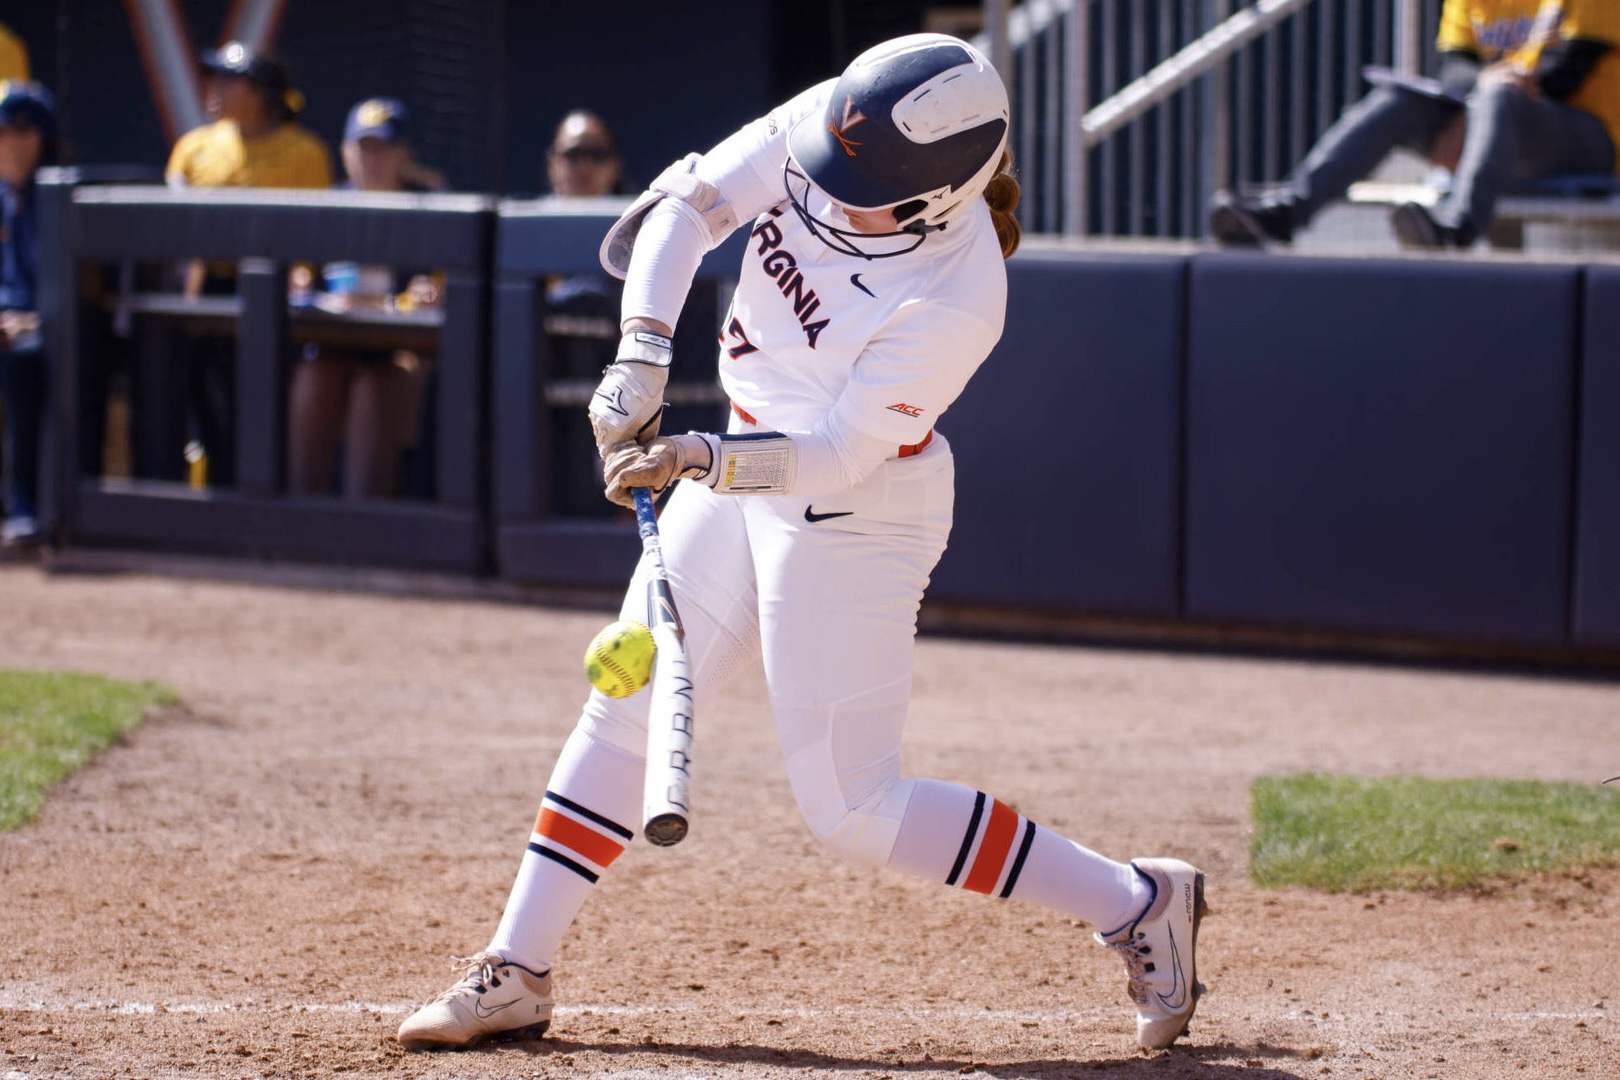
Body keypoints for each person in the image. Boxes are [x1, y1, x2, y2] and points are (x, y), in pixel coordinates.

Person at [396, 33, 1206, 1055]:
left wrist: (695, 456)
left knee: (853, 808)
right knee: (627, 703)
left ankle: (1137, 901)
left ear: (934, 198)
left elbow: (833, 455)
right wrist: (642, 358)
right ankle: (518, 967)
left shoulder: (958, 295)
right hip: (739, 458)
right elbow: (689, 205)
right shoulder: (842, 121)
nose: (825, 190)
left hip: (857, 512)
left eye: (861, 190)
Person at [1209, 0, 1620, 250]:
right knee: (1400, 99)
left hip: (1587, 138)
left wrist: (1487, 102)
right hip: (1492, 120)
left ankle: (1456, 227)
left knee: (1500, 99)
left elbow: (1572, 69)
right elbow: (1455, 67)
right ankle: (1287, 212)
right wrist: (1480, 102)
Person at [165, 40, 332, 487]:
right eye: (214, 77)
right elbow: (173, 226)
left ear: (260, 93)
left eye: (229, 80)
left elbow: (312, 243)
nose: (215, 88)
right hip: (208, 291)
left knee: (262, 413)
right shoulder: (194, 147)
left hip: (276, 297)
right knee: (207, 407)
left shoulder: (305, 151)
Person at [286, 97, 440, 499]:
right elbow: (299, 279)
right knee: (314, 377)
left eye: (383, 149)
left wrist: (418, 296)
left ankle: (364, 519)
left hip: (399, 350)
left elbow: (436, 290)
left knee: (375, 386)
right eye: (363, 148)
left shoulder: (431, 208)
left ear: (405, 154)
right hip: (335, 341)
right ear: (344, 153)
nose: (372, 160)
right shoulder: (327, 206)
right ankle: (302, 512)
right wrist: (303, 285)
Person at [0, 80, 53, 550]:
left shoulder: (58, 197)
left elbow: (75, 295)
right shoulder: (2, 194)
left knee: (20, 361)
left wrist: (28, 322)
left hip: (54, 332)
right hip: (10, 324)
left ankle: (25, 509)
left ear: (31, 137)